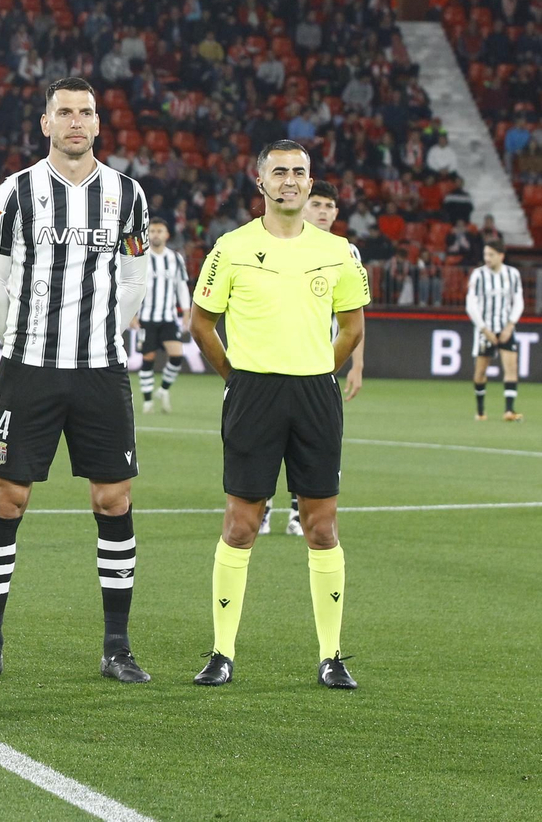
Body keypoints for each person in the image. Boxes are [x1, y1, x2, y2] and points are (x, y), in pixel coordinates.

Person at [0, 76, 152, 684]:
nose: (76, 122)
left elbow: (133, 277)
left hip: (101, 370)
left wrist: (107, 332)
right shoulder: (17, 192)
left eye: (87, 113)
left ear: (99, 124)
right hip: (28, 370)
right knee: (8, 497)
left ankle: (117, 647)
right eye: (64, 112)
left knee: (113, 499)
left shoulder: (128, 195)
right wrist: (18, 339)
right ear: (45, 124)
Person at [189, 140, 370, 690]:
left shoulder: (338, 252)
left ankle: (332, 656)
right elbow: (202, 324)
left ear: (311, 183)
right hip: (254, 395)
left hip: (316, 395)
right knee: (241, 524)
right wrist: (238, 378)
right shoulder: (231, 247)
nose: (290, 181)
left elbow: (353, 327)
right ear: (260, 181)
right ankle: (222, 653)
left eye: (299, 173)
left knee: (321, 525)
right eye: (280, 172)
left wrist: (319, 372)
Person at [261, 179, 366, 536]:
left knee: (308, 447)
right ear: (304, 205)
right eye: (317, 205)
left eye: (328, 207)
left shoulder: (346, 253)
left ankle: (295, 512)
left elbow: (353, 320)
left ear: (337, 213)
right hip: (273, 363)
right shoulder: (275, 243)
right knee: (266, 441)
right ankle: (262, 508)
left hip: (318, 369)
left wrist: (353, 365)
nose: (322, 211)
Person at [133, 216, 189, 414]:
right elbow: (131, 286)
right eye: (152, 231)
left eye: (159, 231)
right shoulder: (141, 256)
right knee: (148, 358)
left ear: (167, 235)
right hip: (146, 319)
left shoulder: (175, 258)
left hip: (168, 318)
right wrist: (131, 314)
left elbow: (182, 287)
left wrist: (187, 313)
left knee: (176, 356)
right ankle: (147, 401)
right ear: (147, 234)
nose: (155, 234)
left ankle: (163, 389)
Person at [466, 239, 525, 422]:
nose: (487, 258)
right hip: (485, 330)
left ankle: (509, 410)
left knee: (511, 367)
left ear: (501, 256)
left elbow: (519, 301)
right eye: (485, 255)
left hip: (505, 328)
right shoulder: (478, 275)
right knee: (481, 371)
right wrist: (484, 329)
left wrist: (511, 325)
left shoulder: (512, 274)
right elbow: (471, 305)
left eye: (491, 255)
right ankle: (481, 410)